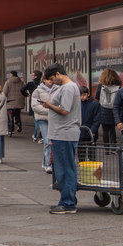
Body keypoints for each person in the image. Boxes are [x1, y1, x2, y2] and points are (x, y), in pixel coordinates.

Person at [38, 64, 81, 215]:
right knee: (63, 169)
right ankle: (65, 200)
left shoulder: (68, 88)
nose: (52, 82)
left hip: (64, 133)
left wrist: (49, 105)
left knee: (65, 169)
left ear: (57, 74)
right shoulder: (66, 87)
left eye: (52, 78)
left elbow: (64, 110)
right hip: (61, 133)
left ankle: (68, 203)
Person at [29, 76, 55, 172]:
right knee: (47, 141)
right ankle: (48, 164)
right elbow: (35, 106)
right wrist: (51, 110)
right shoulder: (37, 91)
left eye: (52, 79)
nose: (51, 81)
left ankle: (45, 161)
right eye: (49, 79)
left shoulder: (57, 89)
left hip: (54, 119)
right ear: (44, 80)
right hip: (43, 119)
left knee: (52, 142)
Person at [95, 69, 120, 144]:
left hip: (103, 110)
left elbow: (97, 96)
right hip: (113, 110)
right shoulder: (118, 86)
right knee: (112, 129)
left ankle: (106, 148)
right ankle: (113, 146)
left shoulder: (101, 85)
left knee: (105, 130)